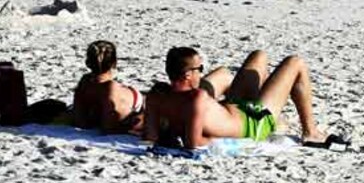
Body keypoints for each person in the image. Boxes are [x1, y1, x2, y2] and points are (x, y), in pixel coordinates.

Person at [143, 47, 348, 150]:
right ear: (188, 75)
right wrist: (230, 141)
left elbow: (150, 138)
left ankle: (277, 112)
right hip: (254, 121)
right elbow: (194, 143)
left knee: (259, 56)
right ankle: (310, 132)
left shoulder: (155, 97)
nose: (201, 74)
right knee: (295, 63)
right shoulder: (197, 97)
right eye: (199, 70)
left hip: (235, 107)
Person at [72, 40, 145, 134]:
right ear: (114, 63)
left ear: (87, 63)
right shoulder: (110, 88)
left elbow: (79, 121)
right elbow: (109, 128)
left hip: (129, 100)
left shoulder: (85, 82)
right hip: (137, 103)